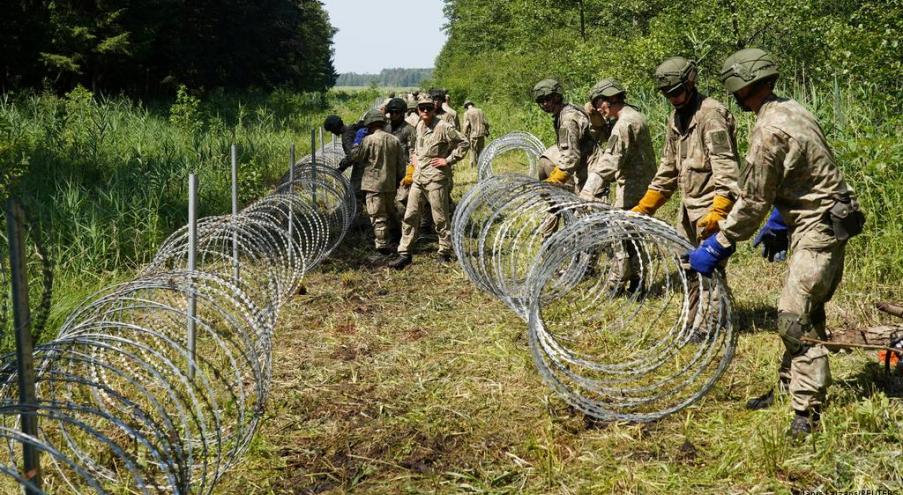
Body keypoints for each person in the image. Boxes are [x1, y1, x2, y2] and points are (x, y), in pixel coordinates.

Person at [687, 48, 864, 437]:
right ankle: (790, 387)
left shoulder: (768, 129)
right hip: (822, 217)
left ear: (741, 87)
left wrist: (720, 243)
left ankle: (807, 412)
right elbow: (808, 170)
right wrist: (782, 219)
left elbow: (753, 198)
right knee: (806, 309)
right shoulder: (790, 108)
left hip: (819, 225)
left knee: (793, 315)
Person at [630, 57, 742, 334]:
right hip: (688, 208)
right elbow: (669, 167)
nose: (674, 99)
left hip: (711, 207)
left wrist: (721, 208)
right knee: (687, 266)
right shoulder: (676, 118)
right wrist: (646, 206)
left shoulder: (711, 115)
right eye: (668, 95)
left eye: (678, 92)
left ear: (691, 84)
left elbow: (726, 168)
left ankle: (712, 325)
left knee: (708, 268)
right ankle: (694, 316)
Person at [578, 79, 657, 293]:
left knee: (620, 236)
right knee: (632, 236)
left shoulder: (623, 124)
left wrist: (588, 189)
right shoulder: (634, 116)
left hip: (633, 187)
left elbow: (610, 160)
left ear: (610, 99)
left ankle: (619, 281)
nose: (597, 109)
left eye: (598, 104)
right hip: (640, 184)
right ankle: (637, 282)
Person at [389, 95, 469, 269]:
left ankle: (444, 251)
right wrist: (415, 158)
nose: (425, 111)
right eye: (422, 108)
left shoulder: (443, 127)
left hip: (435, 178)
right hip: (419, 178)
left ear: (434, 109)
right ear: (418, 109)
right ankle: (404, 253)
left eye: (428, 108)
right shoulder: (419, 125)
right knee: (410, 215)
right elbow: (417, 148)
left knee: (439, 217)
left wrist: (447, 160)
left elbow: (464, 142)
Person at [349, 109, 405, 255]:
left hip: (373, 184)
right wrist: (399, 180)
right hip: (390, 183)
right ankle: (398, 238)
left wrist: (356, 143)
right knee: (390, 211)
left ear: (369, 124)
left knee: (378, 216)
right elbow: (401, 165)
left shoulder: (368, 140)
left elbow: (356, 157)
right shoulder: (394, 140)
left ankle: (382, 246)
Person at [531, 79, 598, 193]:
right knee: (546, 160)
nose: (545, 104)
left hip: (590, 166)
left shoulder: (567, 120)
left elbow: (571, 157)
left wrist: (555, 180)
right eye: (541, 101)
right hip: (583, 161)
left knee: (588, 207)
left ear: (557, 97)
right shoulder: (565, 111)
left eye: (548, 99)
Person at [385, 97, 417, 237]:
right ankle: (395, 232)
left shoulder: (409, 130)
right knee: (388, 204)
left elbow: (414, 153)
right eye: (390, 112)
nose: (393, 115)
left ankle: (408, 233)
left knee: (401, 202)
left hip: (403, 173)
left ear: (403, 113)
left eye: (396, 112)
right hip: (387, 172)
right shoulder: (386, 128)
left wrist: (410, 173)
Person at [324, 114, 366, 217]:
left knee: (354, 192)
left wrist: (341, 167)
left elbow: (352, 156)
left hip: (361, 165)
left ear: (335, 128)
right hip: (367, 162)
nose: (333, 133)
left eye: (332, 130)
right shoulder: (353, 128)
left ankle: (358, 217)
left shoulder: (346, 136)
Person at [461, 100, 490, 168]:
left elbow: (466, 125)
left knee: (472, 151)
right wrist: (487, 131)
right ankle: (482, 166)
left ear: (466, 106)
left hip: (473, 135)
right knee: (481, 151)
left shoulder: (467, 113)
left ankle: (473, 167)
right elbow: (486, 123)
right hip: (481, 134)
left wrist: (464, 136)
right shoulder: (480, 111)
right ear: (472, 104)